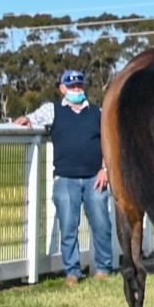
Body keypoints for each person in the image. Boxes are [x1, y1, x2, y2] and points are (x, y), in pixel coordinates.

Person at [15, 69, 116, 283]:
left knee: (101, 225)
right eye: (71, 87)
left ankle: (104, 268)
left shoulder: (98, 112)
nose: (76, 90)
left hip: (94, 179)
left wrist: (104, 170)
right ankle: (72, 271)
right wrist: (25, 119)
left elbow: (109, 143)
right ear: (62, 89)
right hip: (65, 179)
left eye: (79, 86)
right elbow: (32, 119)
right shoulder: (53, 110)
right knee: (68, 227)